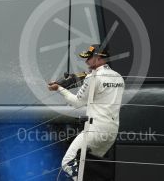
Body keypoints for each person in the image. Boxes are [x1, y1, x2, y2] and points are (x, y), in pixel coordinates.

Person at [48, 44, 125, 180]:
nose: (86, 61)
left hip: (95, 129)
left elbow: (77, 102)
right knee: (89, 167)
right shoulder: (118, 77)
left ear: (98, 57)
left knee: (68, 163)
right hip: (112, 131)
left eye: (89, 58)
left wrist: (59, 88)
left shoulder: (93, 77)